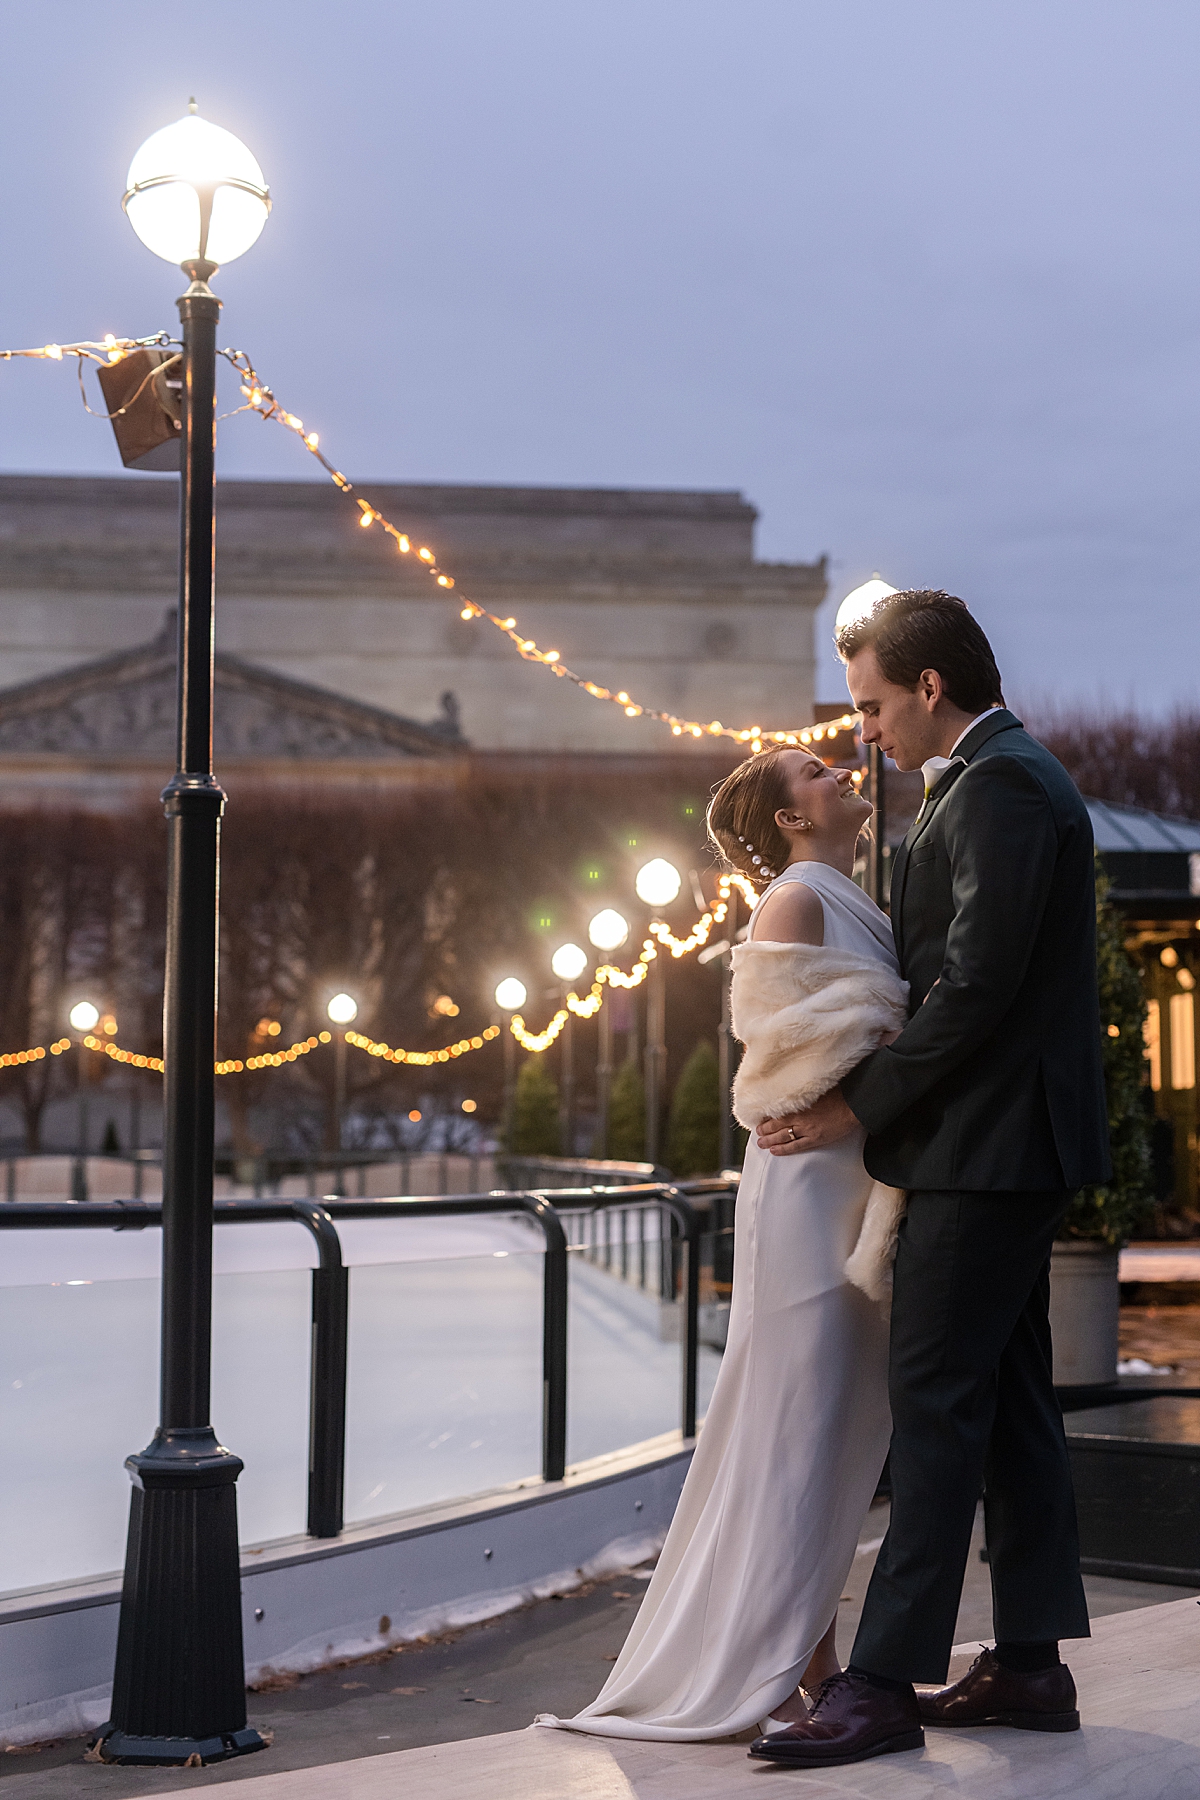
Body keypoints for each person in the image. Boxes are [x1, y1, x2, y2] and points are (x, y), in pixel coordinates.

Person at [750, 589, 1110, 1770]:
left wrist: (854, 1105)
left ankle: (881, 1681)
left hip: (988, 1148)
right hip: (999, 1144)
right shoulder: (990, 781)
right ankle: (1029, 1664)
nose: (867, 732)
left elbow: (977, 989)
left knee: (938, 1405)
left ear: (930, 689)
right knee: (1005, 1404)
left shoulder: (1000, 785)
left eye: (871, 704)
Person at [536, 744, 909, 1740]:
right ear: (790, 820)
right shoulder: (795, 902)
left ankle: (796, 1660)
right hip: (809, 1187)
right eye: (818, 772)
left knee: (823, 1418)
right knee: (800, 1419)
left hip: (839, 1177)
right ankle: (798, 1669)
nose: (840, 770)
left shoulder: (835, 891)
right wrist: (890, 1058)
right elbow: (791, 1056)